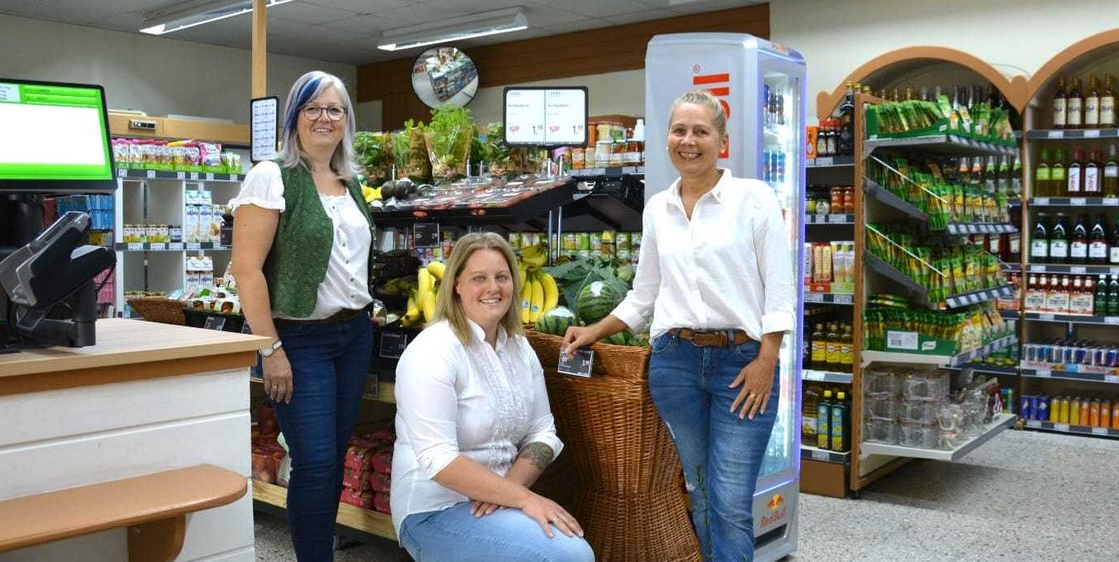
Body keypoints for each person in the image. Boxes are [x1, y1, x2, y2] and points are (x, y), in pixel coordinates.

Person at [563, 90, 796, 562]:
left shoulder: (754, 200)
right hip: (676, 364)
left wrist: (767, 360)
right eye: (679, 130)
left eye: (700, 132)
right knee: (699, 488)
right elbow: (643, 294)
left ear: (722, 142)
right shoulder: (658, 209)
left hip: (741, 364)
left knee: (730, 498)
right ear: (666, 137)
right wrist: (594, 331)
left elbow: (779, 289)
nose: (688, 141)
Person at [229, 70, 374, 562]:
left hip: (353, 335)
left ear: (346, 120)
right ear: (294, 117)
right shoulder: (271, 175)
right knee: (313, 464)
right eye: (312, 108)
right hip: (300, 340)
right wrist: (269, 349)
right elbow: (246, 270)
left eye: (335, 109)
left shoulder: (348, 178)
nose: (324, 118)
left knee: (331, 461)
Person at [392, 232, 594, 562]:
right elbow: (438, 459)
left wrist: (511, 491)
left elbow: (543, 433)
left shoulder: (518, 347)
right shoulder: (432, 352)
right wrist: (526, 499)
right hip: (434, 509)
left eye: (502, 277)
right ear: (455, 284)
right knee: (568, 556)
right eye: (478, 278)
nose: (493, 288)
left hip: (499, 501)